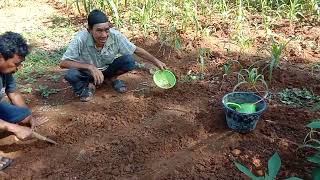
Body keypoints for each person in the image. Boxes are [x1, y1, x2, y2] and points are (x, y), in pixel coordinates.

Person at [60, 9, 167, 102]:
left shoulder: (115, 36)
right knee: (71, 75)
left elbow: (136, 50)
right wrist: (90, 67)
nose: (104, 35)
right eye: (99, 31)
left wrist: (157, 62)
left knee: (129, 61)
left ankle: (111, 78)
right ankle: (87, 86)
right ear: (89, 30)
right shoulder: (80, 39)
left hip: (107, 69)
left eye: (106, 30)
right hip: (87, 72)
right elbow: (63, 63)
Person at [0, 32, 34, 170]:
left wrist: (27, 117)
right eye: (16, 64)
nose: (18, 68)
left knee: (24, 114)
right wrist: (14, 128)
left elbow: (13, 93)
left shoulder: (4, 70)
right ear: (1, 57)